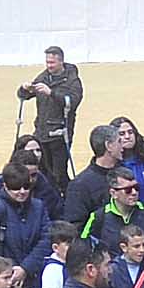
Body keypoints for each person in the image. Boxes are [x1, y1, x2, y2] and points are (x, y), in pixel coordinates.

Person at [18, 46, 84, 191]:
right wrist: (24, 88)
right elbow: (23, 95)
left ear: (61, 61)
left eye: (52, 63)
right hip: (41, 133)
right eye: (47, 62)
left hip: (60, 135)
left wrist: (51, 93)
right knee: (42, 171)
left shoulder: (72, 81)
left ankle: (66, 197)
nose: (49, 66)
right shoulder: (43, 77)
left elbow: (72, 102)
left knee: (59, 174)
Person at [81, 168, 144, 263]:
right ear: (113, 193)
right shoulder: (98, 217)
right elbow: (83, 248)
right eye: (128, 190)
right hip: (112, 275)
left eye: (136, 187)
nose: (134, 193)